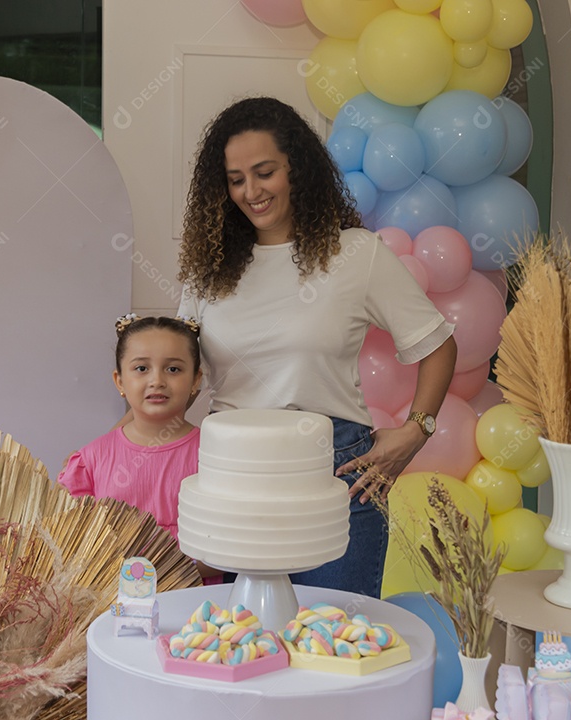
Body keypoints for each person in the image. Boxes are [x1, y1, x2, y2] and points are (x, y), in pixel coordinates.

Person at [176, 96, 458, 597]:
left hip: (338, 474)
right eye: (236, 179)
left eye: (265, 172)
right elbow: (177, 373)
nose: (251, 192)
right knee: (243, 651)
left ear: (297, 169)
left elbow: (437, 344)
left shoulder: (355, 254)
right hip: (236, 482)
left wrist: (418, 429)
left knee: (335, 645)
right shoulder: (209, 271)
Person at [60, 315, 208, 556]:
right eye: (141, 368)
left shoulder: (213, 457)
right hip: (109, 593)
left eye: (173, 369)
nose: (157, 381)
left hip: (196, 592)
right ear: (119, 381)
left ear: (195, 380)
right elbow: (69, 544)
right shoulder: (90, 461)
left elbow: (227, 545)